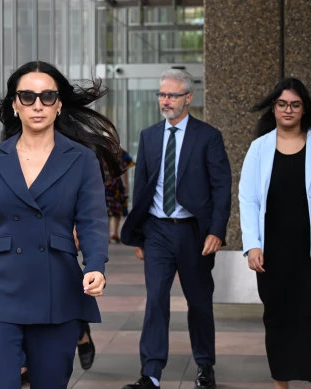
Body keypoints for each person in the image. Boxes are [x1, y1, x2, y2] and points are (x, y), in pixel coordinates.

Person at [0, 60, 121, 389]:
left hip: (56, 289)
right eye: (27, 97)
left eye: (47, 97)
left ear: (59, 105)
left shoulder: (81, 158)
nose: (37, 105)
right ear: (15, 105)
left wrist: (97, 264)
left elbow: (92, 220)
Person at [120, 69, 231, 389]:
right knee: (155, 299)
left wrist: (217, 230)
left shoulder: (208, 136)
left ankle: (205, 366)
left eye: (171, 95)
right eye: (161, 94)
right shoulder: (149, 136)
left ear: (188, 98)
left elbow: (222, 187)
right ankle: (151, 373)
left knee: (198, 301)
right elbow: (142, 187)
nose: (165, 101)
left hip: (193, 233)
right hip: (156, 231)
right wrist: (139, 233)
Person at [239, 77, 311, 389]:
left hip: (307, 250)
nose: (288, 109)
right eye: (282, 104)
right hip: (273, 252)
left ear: (304, 108)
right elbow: (248, 199)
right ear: (274, 107)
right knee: (277, 317)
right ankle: (281, 383)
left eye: (295, 104)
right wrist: (252, 245)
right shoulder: (259, 148)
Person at [104, 148, 135, 243]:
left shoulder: (102, 152)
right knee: (116, 210)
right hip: (116, 186)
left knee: (106, 211)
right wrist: (126, 184)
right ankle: (115, 233)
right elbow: (124, 171)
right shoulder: (121, 154)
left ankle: (107, 235)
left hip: (105, 185)